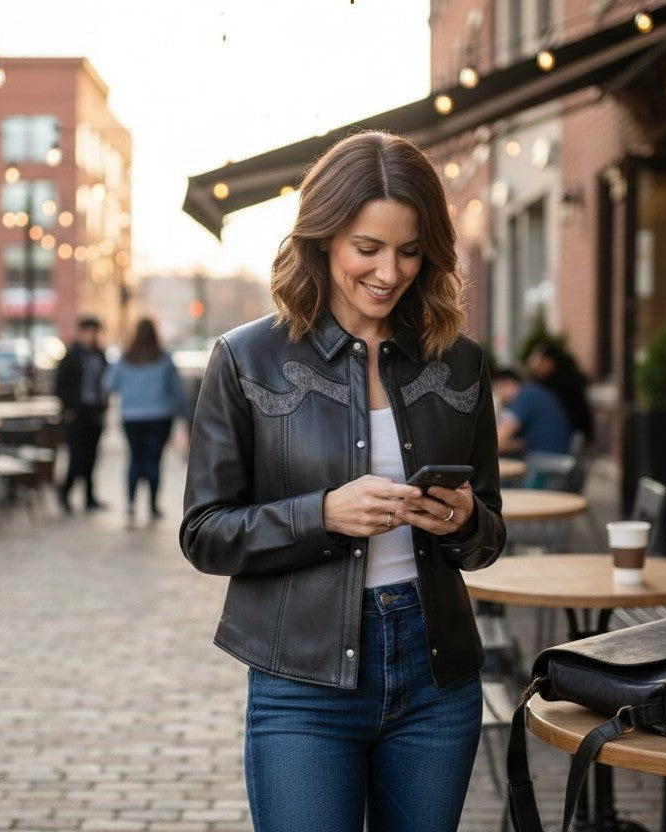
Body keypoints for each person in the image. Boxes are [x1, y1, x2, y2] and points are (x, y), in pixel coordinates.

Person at [179, 131, 506, 832]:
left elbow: (489, 537)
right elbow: (204, 534)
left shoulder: (460, 364)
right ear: (323, 239)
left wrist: (465, 521)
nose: (391, 271)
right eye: (369, 247)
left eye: (411, 249)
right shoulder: (244, 360)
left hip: (436, 676)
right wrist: (323, 514)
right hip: (301, 682)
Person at [103, 317, 190, 523]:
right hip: (160, 416)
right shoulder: (164, 358)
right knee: (154, 460)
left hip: (131, 417)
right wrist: (185, 414)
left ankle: (131, 504)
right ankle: (152, 505)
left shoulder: (124, 358)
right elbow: (177, 391)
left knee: (134, 458)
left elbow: (109, 384)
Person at [55, 315, 108, 513]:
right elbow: (60, 385)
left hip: (94, 411)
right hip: (76, 414)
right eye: (89, 331)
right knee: (77, 457)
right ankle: (64, 490)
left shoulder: (100, 355)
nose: (92, 336)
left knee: (92, 457)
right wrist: (68, 408)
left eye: (95, 332)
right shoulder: (71, 356)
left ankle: (89, 497)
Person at [525, 336, 594, 444]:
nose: (533, 364)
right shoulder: (563, 380)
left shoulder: (561, 385)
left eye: (537, 360)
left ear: (549, 362)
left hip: (564, 440)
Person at [492, 366, 573, 456]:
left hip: (547, 461)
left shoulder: (524, 397)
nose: (498, 396)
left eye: (496, 389)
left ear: (507, 384)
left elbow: (497, 443)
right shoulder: (531, 392)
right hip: (554, 455)